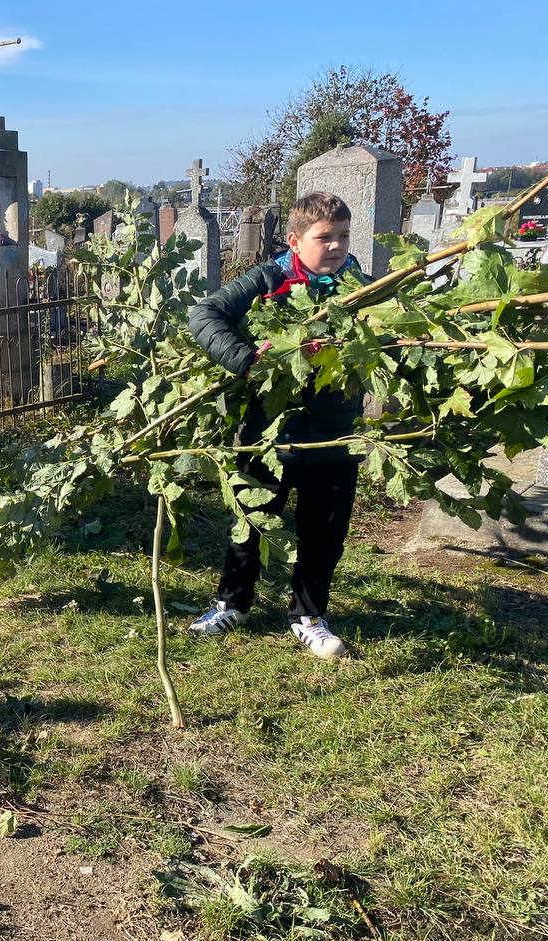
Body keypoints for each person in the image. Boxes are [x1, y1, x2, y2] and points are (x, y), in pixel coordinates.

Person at [185, 192, 365, 659]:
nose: (336, 246)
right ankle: (232, 604)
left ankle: (308, 616)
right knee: (250, 523)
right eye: (324, 237)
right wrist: (247, 361)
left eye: (343, 236)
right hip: (269, 433)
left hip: (334, 432)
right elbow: (204, 314)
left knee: (324, 531)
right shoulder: (269, 279)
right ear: (294, 240)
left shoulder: (363, 289)